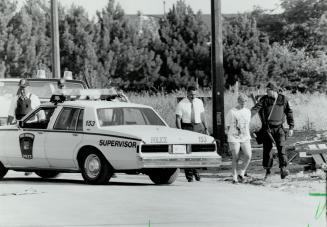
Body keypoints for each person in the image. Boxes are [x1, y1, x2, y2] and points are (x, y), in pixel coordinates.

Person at [251, 81, 294, 180]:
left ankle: (283, 170)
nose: (266, 92)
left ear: (274, 90)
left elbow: (289, 112)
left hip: (279, 128)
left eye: (268, 90)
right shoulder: (264, 99)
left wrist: (291, 127)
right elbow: (256, 108)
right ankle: (268, 171)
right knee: (267, 151)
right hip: (267, 129)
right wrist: (247, 116)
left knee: (281, 148)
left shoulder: (284, 99)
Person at [175, 86, 209, 182]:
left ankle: (196, 171)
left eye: (195, 94)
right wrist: (180, 131)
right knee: (188, 151)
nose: (193, 96)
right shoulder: (181, 104)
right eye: (191, 94)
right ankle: (189, 175)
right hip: (187, 127)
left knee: (197, 151)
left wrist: (206, 128)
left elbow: (202, 116)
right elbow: (177, 119)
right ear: (187, 93)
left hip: (198, 127)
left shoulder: (199, 102)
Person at [225, 93, 252, 184]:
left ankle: (242, 173)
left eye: (245, 102)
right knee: (235, 157)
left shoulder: (248, 111)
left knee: (248, 155)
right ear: (238, 101)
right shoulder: (232, 111)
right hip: (234, 137)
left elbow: (247, 124)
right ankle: (234, 177)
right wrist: (233, 134)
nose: (244, 103)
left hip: (245, 137)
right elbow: (228, 126)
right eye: (242, 101)